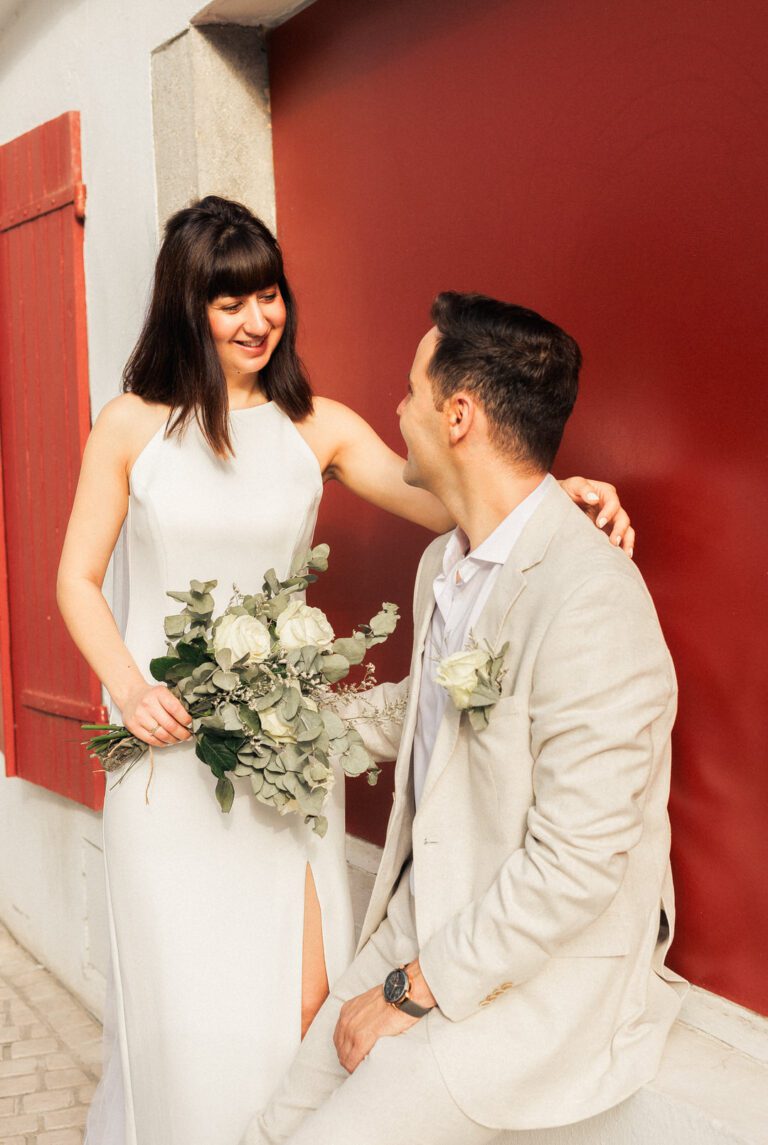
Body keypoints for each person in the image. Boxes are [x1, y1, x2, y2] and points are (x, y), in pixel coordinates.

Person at [57, 197, 633, 1145]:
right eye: (228, 301)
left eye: (269, 295)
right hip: (167, 761)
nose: (257, 320)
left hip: (284, 761)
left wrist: (556, 494)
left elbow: (457, 493)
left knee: (292, 1003)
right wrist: (129, 683)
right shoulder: (130, 427)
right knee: (179, 1006)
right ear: (184, 307)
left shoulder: (315, 427)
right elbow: (76, 578)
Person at [242, 291, 687, 1145]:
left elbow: (577, 866)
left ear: (457, 415)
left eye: (410, 391)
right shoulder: (441, 565)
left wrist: (412, 988)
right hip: (427, 915)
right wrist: (262, 727)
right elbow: (423, 709)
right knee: (273, 1127)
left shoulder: (594, 598)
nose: (395, 409)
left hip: (541, 979)